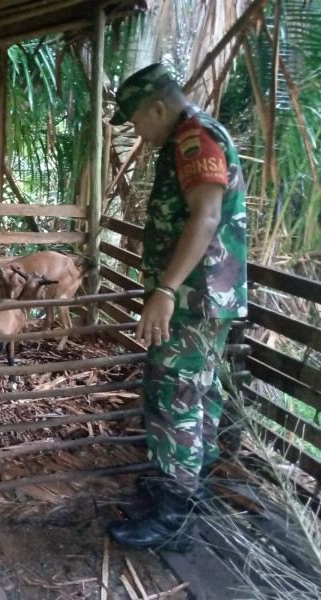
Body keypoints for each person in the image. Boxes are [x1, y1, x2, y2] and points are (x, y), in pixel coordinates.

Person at [106, 64, 248, 551]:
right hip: (207, 297)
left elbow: (206, 216)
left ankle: (175, 516)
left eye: (136, 121)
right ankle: (188, 488)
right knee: (198, 393)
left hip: (192, 298)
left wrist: (165, 291)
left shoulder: (193, 138)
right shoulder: (194, 135)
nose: (138, 133)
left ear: (158, 107)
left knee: (175, 394)